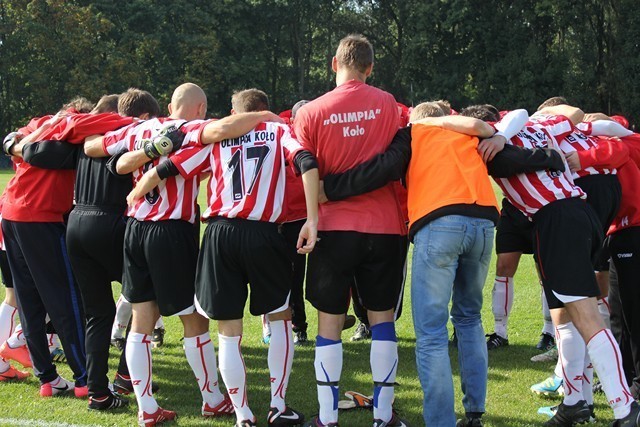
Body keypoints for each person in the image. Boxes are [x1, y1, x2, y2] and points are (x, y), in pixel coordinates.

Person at [320, 105, 565, 427]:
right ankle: (474, 412)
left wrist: (331, 188)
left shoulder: (414, 132)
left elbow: (382, 168)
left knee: (431, 332)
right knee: (469, 319)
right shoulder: (466, 134)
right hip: (482, 225)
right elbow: (509, 159)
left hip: (438, 223)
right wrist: (550, 157)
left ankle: (440, 421)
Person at [85, 83, 282, 426]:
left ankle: (147, 407)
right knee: (195, 319)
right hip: (171, 232)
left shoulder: (137, 128)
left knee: (141, 320)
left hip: (135, 229)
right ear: (200, 108)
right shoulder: (190, 128)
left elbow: (93, 148)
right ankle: (212, 398)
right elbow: (222, 129)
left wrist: (146, 151)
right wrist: (263, 115)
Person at [128, 87, 319, 427]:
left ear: (236, 112)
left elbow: (171, 167)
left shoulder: (215, 139)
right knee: (280, 316)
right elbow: (306, 161)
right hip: (262, 233)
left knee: (228, 330)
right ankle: (277, 405)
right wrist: (312, 220)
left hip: (219, 235)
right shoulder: (277, 130)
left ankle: (242, 413)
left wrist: (137, 192)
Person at [294, 34, 408, 427]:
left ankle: (327, 418)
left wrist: (312, 215)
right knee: (382, 321)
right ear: (370, 67)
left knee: (329, 322)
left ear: (333, 64)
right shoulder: (388, 104)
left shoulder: (310, 112)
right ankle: (383, 415)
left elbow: (307, 171)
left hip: (333, 228)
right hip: (384, 228)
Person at [0, 97, 135, 399]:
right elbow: (116, 121)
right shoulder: (75, 122)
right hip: (41, 216)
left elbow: (14, 139)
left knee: (29, 301)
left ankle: (47, 378)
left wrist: (13, 145)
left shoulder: (40, 121)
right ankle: (85, 377)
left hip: (11, 213)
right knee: (67, 301)